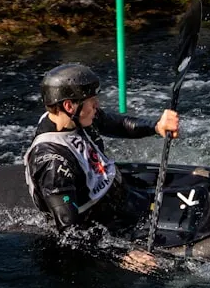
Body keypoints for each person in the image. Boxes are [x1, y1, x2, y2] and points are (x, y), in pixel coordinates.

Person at [23, 63, 179, 271]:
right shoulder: (52, 164)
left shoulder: (75, 118)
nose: (97, 105)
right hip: (102, 223)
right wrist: (123, 257)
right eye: (91, 101)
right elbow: (71, 234)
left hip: (123, 199)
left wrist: (156, 127)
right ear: (69, 106)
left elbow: (115, 124)